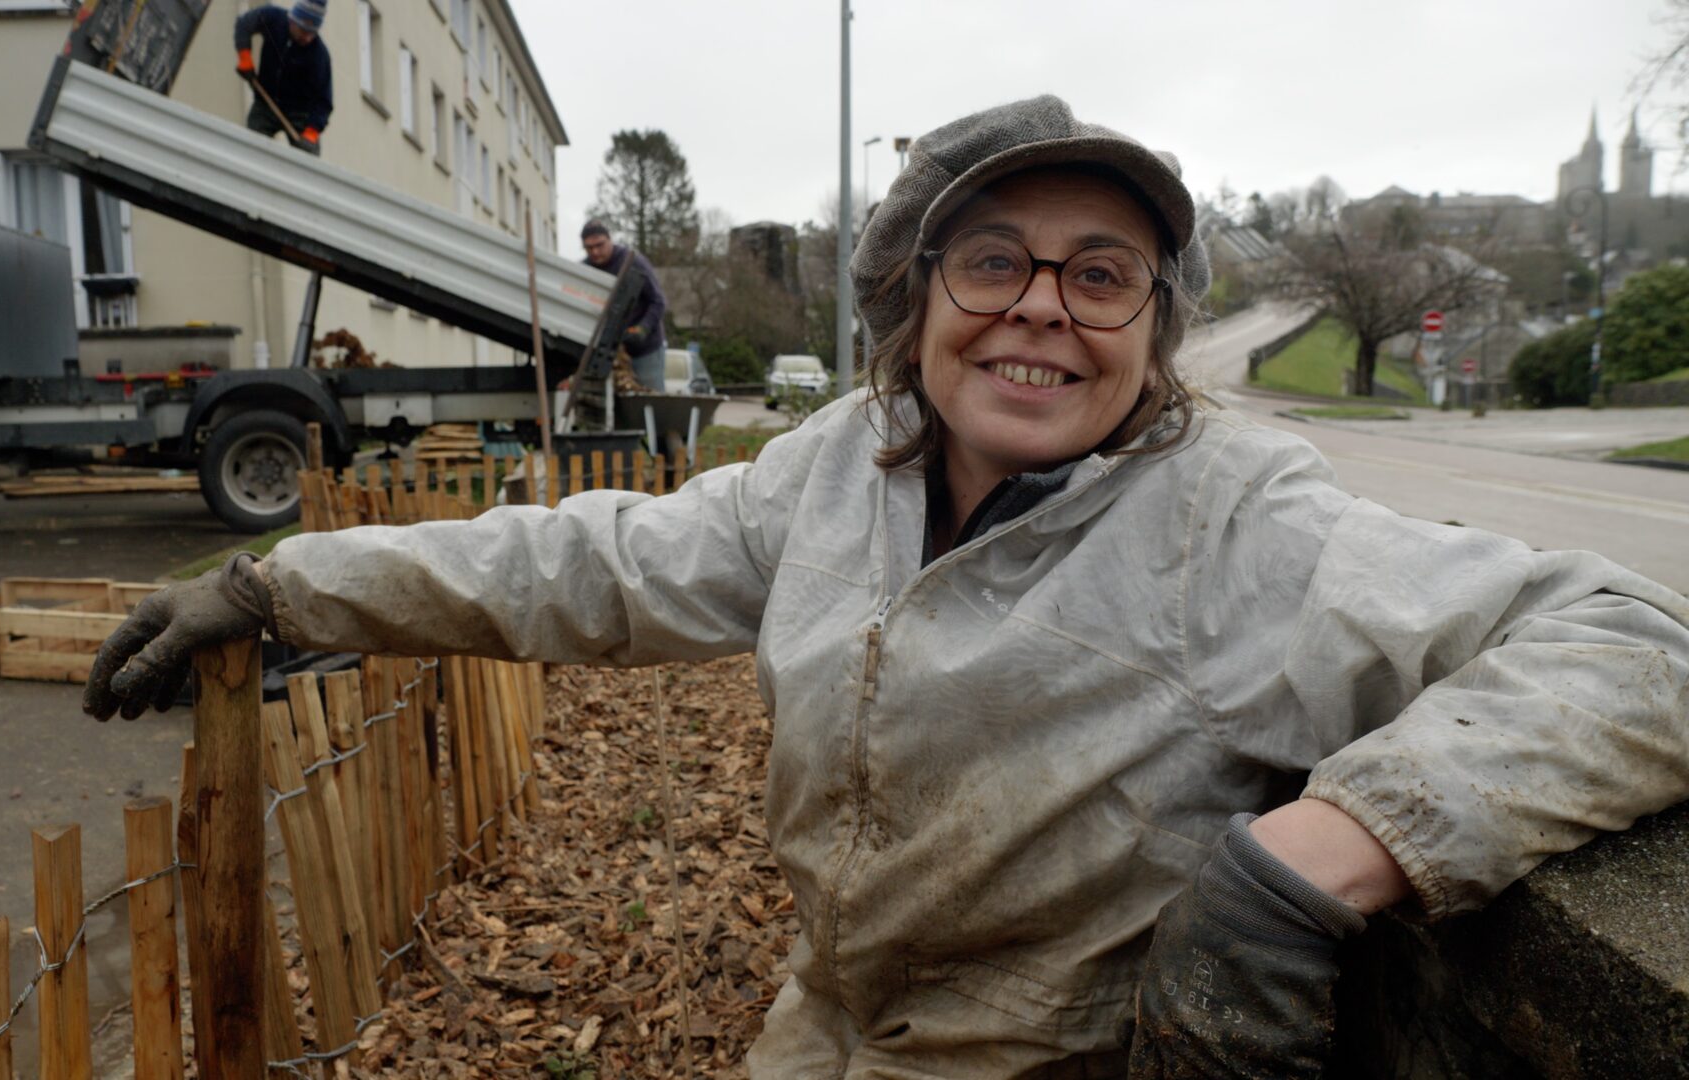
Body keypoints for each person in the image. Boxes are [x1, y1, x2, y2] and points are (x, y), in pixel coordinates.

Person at [82, 95, 1689, 1079]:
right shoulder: (848, 464)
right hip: (821, 1031)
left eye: (1103, 272)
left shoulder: (1237, 521)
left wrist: (1311, 864)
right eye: (993, 260)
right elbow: (596, 557)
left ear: (1156, 323)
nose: (1041, 312)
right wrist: (291, 582)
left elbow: (1631, 644)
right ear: (914, 297)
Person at [580, 219, 670, 390]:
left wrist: (643, 328)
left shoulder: (632, 262)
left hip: (646, 349)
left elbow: (658, 301)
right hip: (608, 352)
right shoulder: (585, 270)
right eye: (589, 248)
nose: (596, 252)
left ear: (610, 240)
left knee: (650, 399)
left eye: (600, 245)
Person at [234, 0, 331, 155]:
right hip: (266, 102)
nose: (307, 38)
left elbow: (324, 102)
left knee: (308, 162)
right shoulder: (273, 18)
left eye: (312, 33)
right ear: (293, 20)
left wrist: (311, 133)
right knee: (252, 148)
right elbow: (244, 24)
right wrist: (245, 58)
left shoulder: (319, 55)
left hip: (300, 113)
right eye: (304, 30)